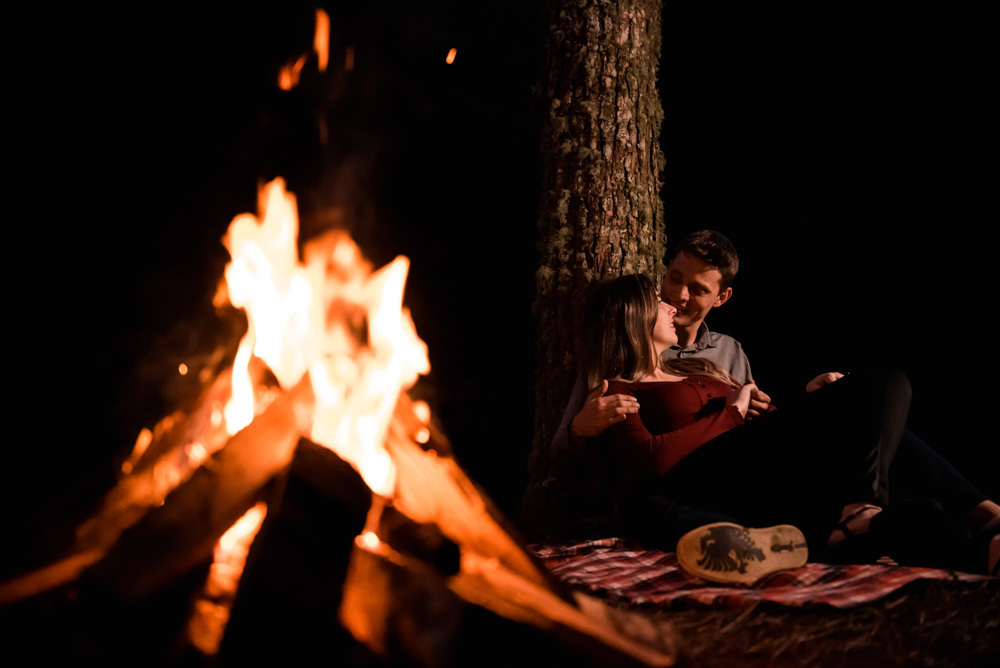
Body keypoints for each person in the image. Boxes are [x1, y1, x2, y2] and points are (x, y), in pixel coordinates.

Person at [583, 273, 999, 575]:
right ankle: (873, 506)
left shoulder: (697, 366)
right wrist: (732, 412)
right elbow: (652, 461)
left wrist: (813, 404)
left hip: (772, 470)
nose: (672, 306)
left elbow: (769, 425)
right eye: (660, 302)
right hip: (714, 478)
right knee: (886, 382)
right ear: (634, 315)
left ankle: (983, 542)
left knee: (873, 424)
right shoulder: (618, 388)